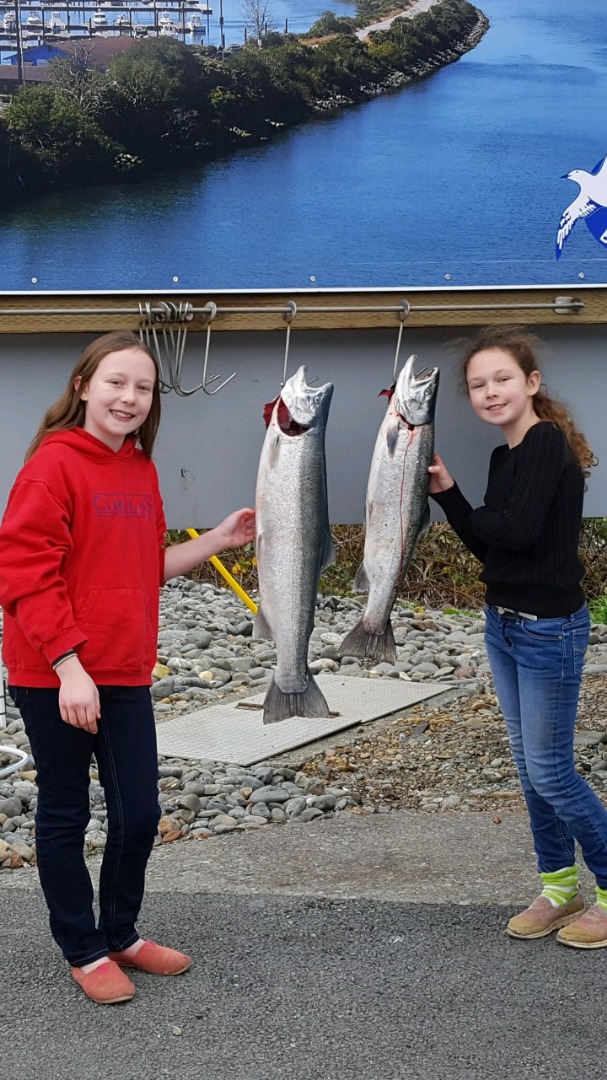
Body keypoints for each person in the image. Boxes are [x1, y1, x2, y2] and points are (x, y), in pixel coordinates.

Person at [0, 331, 255, 1002]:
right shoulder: (52, 465)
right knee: (65, 812)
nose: (129, 397)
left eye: (142, 387)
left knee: (139, 814)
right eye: (116, 382)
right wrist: (68, 666)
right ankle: (83, 950)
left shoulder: (139, 469)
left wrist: (221, 540)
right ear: (84, 386)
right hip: (53, 672)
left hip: (122, 671)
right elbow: (23, 573)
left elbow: (143, 568)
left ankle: (120, 932)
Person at [428, 326, 607, 949]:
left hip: (549, 631)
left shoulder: (544, 443)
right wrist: (450, 496)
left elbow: (517, 532)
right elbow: (490, 547)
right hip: (504, 625)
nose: (490, 391)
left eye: (502, 378)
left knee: (554, 772)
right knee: (532, 771)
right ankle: (560, 887)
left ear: (532, 383)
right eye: (478, 385)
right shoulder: (507, 456)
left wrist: (480, 515)